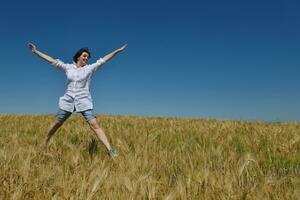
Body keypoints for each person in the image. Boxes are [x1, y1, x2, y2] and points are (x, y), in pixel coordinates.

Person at [28, 42, 127, 157]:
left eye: (88, 57)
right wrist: (35, 51)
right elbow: (51, 60)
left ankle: (110, 151)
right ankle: (44, 143)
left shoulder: (89, 69)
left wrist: (117, 51)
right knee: (57, 123)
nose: (86, 58)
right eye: (84, 55)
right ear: (78, 56)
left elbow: (104, 59)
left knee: (94, 124)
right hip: (68, 100)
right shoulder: (68, 68)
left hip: (83, 100)